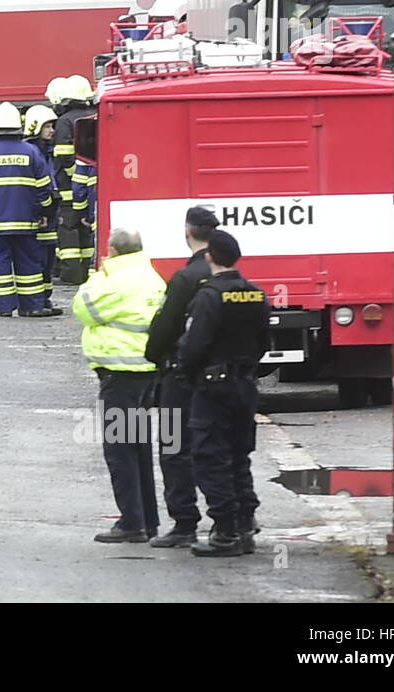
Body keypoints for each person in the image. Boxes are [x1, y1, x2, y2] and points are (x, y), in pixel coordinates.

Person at [179, 229, 270, 557]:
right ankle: (245, 524)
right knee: (238, 454)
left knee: (209, 456)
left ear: (209, 257)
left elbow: (194, 345)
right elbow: (263, 343)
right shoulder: (256, 294)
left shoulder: (209, 296)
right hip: (245, 385)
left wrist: (187, 373)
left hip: (212, 386)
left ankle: (225, 531)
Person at [72, 228, 167, 543]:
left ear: (112, 250)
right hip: (145, 372)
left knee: (119, 451)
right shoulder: (151, 276)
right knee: (139, 448)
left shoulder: (114, 280)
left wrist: (98, 274)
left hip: (119, 371)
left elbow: (83, 308)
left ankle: (131, 523)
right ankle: (146, 519)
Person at [142, 206, 221, 548]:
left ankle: (185, 522)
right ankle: (229, 520)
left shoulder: (186, 278)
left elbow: (166, 325)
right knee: (217, 447)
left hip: (179, 376)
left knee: (175, 448)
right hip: (218, 376)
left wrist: (152, 356)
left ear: (187, 232)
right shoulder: (227, 275)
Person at [0, 102, 55, 317]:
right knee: (29, 264)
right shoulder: (31, 152)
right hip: (26, 222)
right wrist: (44, 213)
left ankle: (5, 309)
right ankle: (31, 306)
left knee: (0, 266)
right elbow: (45, 188)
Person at [52, 75, 96, 285]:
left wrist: (75, 174)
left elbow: (63, 154)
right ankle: (88, 270)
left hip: (70, 188)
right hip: (95, 184)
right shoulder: (95, 115)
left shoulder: (65, 121)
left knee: (69, 230)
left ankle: (70, 275)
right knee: (87, 228)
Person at [22, 103, 63, 315]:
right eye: (47, 126)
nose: (52, 130)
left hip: (50, 213)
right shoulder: (32, 152)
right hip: (39, 214)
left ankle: (45, 301)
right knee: (36, 261)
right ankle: (35, 303)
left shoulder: (47, 152)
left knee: (48, 259)